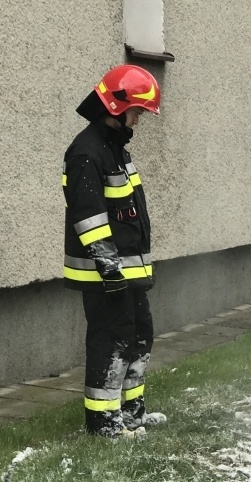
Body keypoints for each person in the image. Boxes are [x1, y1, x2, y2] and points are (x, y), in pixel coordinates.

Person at [62, 65, 164, 439]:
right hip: (106, 274)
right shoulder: (87, 152)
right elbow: (88, 216)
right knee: (112, 340)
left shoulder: (114, 148)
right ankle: (103, 425)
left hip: (127, 270)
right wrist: (110, 269)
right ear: (118, 106)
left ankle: (131, 414)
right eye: (137, 111)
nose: (139, 119)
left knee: (140, 335)